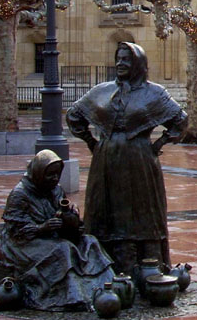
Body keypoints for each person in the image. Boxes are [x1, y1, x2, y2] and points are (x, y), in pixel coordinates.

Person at [67, 42, 187, 274]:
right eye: (119, 59)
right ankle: (102, 264)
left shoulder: (154, 93)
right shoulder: (101, 91)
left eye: (127, 60)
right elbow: (74, 115)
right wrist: (92, 142)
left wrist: (159, 143)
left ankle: (147, 264)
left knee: (142, 210)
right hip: (106, 160)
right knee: (104, 208)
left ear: (139, 64)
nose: (121, 63)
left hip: (139, 159)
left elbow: (180, 120)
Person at [0, 150, 115, 311]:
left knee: (89, 241)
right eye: (50, 175)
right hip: (21, 243)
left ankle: (108, 288)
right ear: (38, 173)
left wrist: (71, 216)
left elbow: (64, 215)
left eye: (57, 174)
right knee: (63, 249)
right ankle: (73, 296)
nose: (55, 179)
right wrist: (41, 228)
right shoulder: (20, 194)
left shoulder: (55, 190)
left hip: (52, 236)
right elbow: (15, 231)